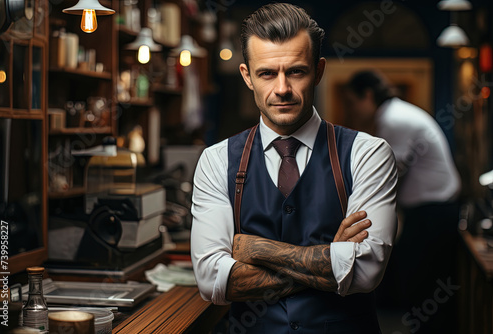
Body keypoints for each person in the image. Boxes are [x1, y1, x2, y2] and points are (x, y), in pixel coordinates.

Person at [191, 4, 397, 333]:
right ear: (247, 76)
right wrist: (331, 260)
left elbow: (366, 271)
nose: (283, 88)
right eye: (267, 73)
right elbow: (212, 281)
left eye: (296, 71)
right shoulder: (217, 160)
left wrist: (251, 248)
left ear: (318, 71)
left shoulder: (368, 154)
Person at [344, 70, 461, 333]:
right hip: (431, 212)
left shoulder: (393, 120)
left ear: (368, 95)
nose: (350, 111)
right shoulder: (394, 114)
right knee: (423, 288)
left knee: (424, 289)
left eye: (352, 102)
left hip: (434, 214)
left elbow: (386, 178)